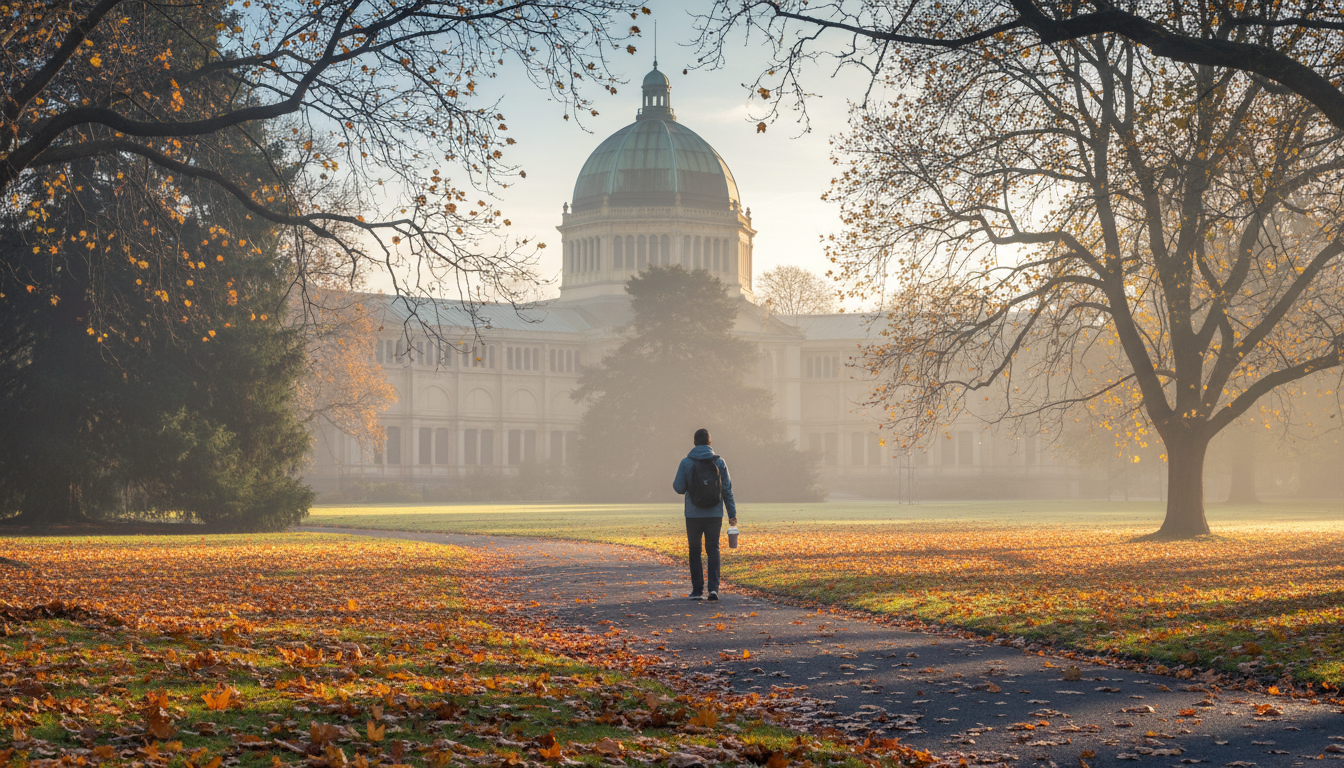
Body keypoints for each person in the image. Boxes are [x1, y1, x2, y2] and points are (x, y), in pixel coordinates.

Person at [672, 428, 737, 601]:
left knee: (695, 551)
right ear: (710, 442)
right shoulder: (720, 462)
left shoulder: (686, 462)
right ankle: (713, 589)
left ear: (694, 443)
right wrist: (732, 514)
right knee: (713, 549)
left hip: (693, 514)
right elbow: (727, 490)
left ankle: (697, 591)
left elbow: (678, 487)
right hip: (715, 514)